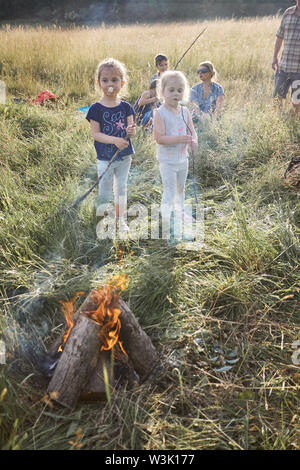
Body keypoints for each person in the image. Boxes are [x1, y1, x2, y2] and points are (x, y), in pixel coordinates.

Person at [86, 58, 136, 233]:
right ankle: (104, 221)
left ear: (122, 83)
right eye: (105, 80)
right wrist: (114, 140)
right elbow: (96, 134)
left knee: (121, 188)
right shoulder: (95, 109)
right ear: (99, 83)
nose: (110, 84)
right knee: (105, 191)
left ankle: (121, 221)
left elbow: (131, 130)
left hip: (124, 156)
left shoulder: (126, 107)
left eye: (114, 80)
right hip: (105, 158)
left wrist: (130, 132)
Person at [153, 71, 198, 240]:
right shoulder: (160, 113)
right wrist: (178, 139)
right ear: (162, 92)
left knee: (181, 189)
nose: (175, 94)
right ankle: (166, 220)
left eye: (180, 90)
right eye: (171, 90)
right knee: (170, 190)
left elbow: (192, 131)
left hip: (182, 159)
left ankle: (178, 214)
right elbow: (159, 138)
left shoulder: (185, 111)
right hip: (167, 162)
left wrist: (194, 141)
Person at [272, 1, 300, 113]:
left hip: (299, 71)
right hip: (283, 67)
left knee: (296, 101)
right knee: (277, 96)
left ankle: (293, 122)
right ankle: (278, 120)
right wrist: (274, 57)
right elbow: (279, 36)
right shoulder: (288, 13)